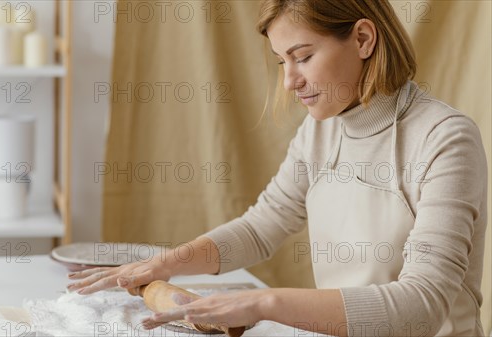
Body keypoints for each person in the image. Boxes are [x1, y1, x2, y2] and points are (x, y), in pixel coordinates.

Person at [67, 1, 488, 336]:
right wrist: (165, 264)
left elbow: (423, 305)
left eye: (302, 56)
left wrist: (266, 304)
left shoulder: (444, 138)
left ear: (363, 38)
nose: (289, 81)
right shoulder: (320, 130)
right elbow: (261, 227)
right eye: (281, 62)